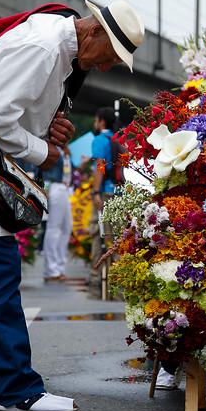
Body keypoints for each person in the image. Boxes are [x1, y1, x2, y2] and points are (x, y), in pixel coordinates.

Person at [0, 0, 144, 411]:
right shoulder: (47, 48)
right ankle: (17, 390)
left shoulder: (54, 43)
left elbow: (1, 104)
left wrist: (45, 127)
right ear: (95, 32)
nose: (105, 68)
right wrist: (41, 148)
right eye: (111, 57)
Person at [88, 106, 118, 298]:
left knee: (98, 231)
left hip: (104, 193)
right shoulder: (117, 139)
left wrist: (95, 191)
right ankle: (118, 276)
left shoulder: (99, 140)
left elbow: (100, 166)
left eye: (96, 120)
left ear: (101, 122)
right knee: (116, 236)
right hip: (118, 192)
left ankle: (95, 274)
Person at [42, 145, 73, 282]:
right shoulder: (50, 148)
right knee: (53, 228)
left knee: (67, 228)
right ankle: (51, 269)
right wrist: (46, 188)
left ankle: (59, 267)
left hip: (65, 188)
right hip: (55, 187)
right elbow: (42, 170)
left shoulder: (64, 150)